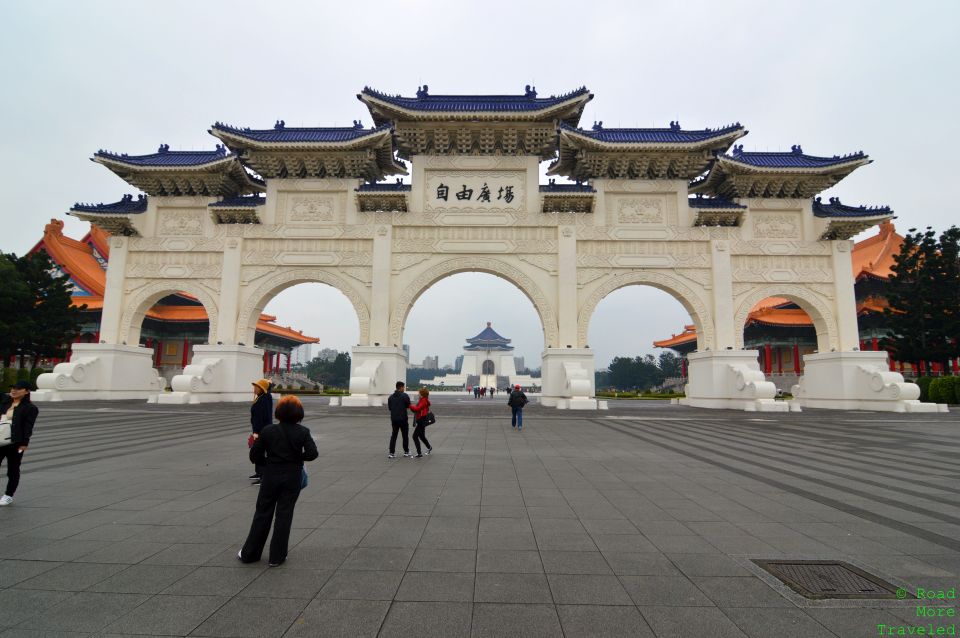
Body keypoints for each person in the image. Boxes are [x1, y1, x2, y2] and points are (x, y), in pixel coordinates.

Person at [239, 395, 318, 567]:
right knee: (284, 515)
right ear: (299, 413)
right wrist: (297, 458)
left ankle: (250, 553)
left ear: (278, 412)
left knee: (262, 513)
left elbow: (254, 455)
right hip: (292, 477)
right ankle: (277, 557)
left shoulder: (268, 431)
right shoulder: (303, 432)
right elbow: (312, 454)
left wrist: (267, 463)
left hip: (271, 476)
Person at [0, 381, 38, 506]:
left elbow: (28, 427)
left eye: (18, 389)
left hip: (15, 443)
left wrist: (24, 443)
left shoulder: (30, 408)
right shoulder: (5, 400)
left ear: (26, 391)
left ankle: (8, 495)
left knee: (13, 469)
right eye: (13, 388)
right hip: (0, 440)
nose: (14, 390)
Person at [249, 379, 273, 484]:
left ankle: (263, 476)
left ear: (262, 389)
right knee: (258, 451)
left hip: (262, 430)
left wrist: (257, 432)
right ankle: (259, 472)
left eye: (257, 387)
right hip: (262, 429)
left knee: (259, 453)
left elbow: (261, 417)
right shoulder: (262, 397)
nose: (254, 388)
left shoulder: (264, 399)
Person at [387, 381, 412, 459]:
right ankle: (406, 451)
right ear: (400, 387)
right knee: (405, 436)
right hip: (403, 419)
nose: (404, 389)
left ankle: (391, 453)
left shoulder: (390, 397)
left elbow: (390, 408)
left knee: (394, 436)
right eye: (403, 387)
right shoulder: (405, 396)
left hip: (394, 419)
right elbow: (408, 405)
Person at [409, 387, 432, 458]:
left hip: (421, 420)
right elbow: (417, 410)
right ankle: (429, 447)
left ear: (422, 394)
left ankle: (419, 453)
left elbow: (418, 408)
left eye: (419, 392)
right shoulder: (422, 400)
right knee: (421, 436)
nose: (418, 394)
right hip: (422, 420)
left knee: (415, 436)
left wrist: (409, 405)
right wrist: (412, 408)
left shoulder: (423, 400)